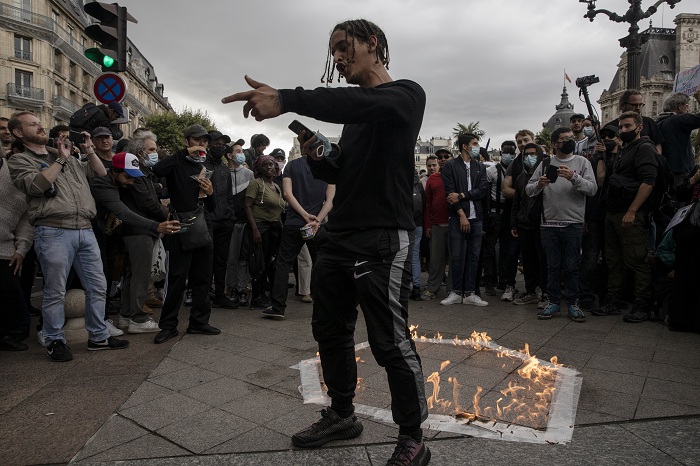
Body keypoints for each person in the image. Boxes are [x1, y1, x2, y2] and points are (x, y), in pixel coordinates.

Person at [222, 18, 431, 465]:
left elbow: (357, 103)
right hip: (339, 237)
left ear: (372, 44)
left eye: (342, 48)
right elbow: (344, 173)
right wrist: (321, 159)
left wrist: (286, 99)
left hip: (381, 239)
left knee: (390, 341)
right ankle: (341, 414)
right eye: (333, 51)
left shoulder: (406, 95)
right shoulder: (356, 121)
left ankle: (413, 438)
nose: (337, 58)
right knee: (330, 332)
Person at [8, 112, 129, 361]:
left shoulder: (65, 157)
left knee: (97, 286)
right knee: (55, 290)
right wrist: (61, 161)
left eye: (40, 123)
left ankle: (98, 336)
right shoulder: (20, 160)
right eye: (33, 124)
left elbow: (100, 173)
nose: (40, 127)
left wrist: (89, 150)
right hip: (53, 230)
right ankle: (54, 339)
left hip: (84, 228)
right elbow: (35, 187)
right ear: (18, 133)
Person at [90, 152, 179, 333]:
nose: (131, 182)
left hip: (126, 232)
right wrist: (156, 226)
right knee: (140, 275)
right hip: (111, 232)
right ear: (114, 171)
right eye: (127, 177)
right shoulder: (103, 184)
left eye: (134, 177)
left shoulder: (120, 183)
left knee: (133, 274)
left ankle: (126, 315)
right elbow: (123, 213)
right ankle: (137, 318)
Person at [151, 124, 220, 344]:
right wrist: (182, 154)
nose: (201, 144)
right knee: (177, 278)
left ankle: (199, 322)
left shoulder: (207, 167)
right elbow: (157, 170)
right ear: (186, 141)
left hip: (203, 225)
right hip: (180, 225)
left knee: (202, 277)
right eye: (197, 140)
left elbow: (213, 207)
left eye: (204, 141)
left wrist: (210, 193)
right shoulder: (177, 162)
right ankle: (168, 325)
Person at [591, 112, 659, 323]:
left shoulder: (645, 149)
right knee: (613, 261)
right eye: (621, 127)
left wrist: (632, 211)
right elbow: (603, 180)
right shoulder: (624, 151)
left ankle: (642, 305)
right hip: (613, 213)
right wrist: (602, 156)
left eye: (628, 126)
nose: (623, 130)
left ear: (639, 127)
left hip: (631, 214)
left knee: (637, 260)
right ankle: (613, 300)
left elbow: (648, 182)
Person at [526, 127, 597, 322]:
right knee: (552, 266)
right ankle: (553, 302)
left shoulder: (582, 162)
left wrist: (574, 177)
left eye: (570, 138)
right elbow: (528, 189)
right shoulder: (545, 163)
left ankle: (574, 304)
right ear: (555, 144)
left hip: (573, 223)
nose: (568, 141)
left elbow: (592, 189)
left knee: (573, 266)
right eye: (564, 139)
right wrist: (539, 184)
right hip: (548, 223)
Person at [264, 150, 334, 318]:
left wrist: (303, 215)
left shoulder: (293, 165)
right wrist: (317, 220)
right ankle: (324, 307)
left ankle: (278, 307)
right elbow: (331, 199)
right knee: (321, 265)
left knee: (283, 263)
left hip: (294, 223)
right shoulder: (329, 168)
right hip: (317, 225)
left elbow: (287, 194)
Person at [440, 133, 489, 307]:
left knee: (474, 256)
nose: (477, 146)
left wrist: (462, 195)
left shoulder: (480, 167)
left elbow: (482, 190)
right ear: (464, 146)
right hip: (457, 218)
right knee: (457, 256)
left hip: (477, 218)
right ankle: (456, 292)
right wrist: (462, 215)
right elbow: (449, 194)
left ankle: (470, 293)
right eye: (474, 143)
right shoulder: (450, 166)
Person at [243, 155, 287, 310]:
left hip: (275, 229)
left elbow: (280, 209)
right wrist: (255, 229)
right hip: (261, 228)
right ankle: (256, 297)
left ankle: (264, 294)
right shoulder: (256, 184)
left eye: (272, 164)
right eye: (266, 165)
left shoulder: (277, 186)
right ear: (259, 168)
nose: (270, 167)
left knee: (270, 263)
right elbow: (247, 206)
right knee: (259, 263)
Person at [0, 143, 33, 351]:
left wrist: (21, 249)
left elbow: (25, 220)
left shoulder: (12, 175)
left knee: (8, 289)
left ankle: (7, 333)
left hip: (5, 246)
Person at [204, 131, 238, 309]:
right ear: (208, 144)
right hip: (208, 220)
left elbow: (229, 195)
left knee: (221, 260)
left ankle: (219, 294)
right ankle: (202, 294)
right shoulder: (201, 165)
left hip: (225, 220)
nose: (220, 147)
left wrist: (230, 215)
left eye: (223, 144)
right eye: (216, 143)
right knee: (206, 260)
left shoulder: (225, 168)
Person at [510, 143, 547, 307]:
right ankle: (531, 291)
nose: (530, 157)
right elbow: (516, 203)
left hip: (542, 224)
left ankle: (545, 292)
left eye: (533, 153)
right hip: (524, 224)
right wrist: (514, 223)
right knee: (528, 260)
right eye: (527, 154)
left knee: (543, 260)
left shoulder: (546, 176)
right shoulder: (520, 178)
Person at [482, 140, 517, 300]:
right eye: (506, 151)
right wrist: (487, 214)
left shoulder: (515, 170)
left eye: (511, 151)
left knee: (506, 249)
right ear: (501, 152)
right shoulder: (491, 170)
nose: (508, 154)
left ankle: (504, 280)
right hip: (494, 213)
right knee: (489, 249)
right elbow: (486, 194)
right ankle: (489, 281)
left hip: (508, 213)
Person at [224, 140, 254, 306]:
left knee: (243, 257)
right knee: (230, 257)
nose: (241, 154)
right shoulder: (222, 173)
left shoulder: (249, 174)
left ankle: (243, 288)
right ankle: (231, 288)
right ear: (229, 155)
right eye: (237, 151)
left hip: (244, 222)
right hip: (229, 223)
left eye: (242, 150)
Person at [422, 149, 451, 301]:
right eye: (440, 157)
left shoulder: (457, 176)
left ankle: (452, 290)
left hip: (454, 224)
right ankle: (432, 288)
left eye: (446, 156)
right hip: (437, 225)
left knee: (454, 259)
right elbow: (427, 203)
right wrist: (428, 224)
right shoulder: (433, 179)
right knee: (435, 260)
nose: (443, 159)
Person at [656, 90, 700, 190]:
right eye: (687, 105)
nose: (689, 109)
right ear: (680, 107)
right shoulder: (677, 120)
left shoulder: (660, 122)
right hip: (680, 173)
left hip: (667, 171)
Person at [606, 90, 664, 155]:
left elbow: (657, 144)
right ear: (623, 105)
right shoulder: (610, 126)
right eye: (634, 105)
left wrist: (657, 159)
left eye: (640, 105)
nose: (638, 108)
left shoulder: (649, 122)